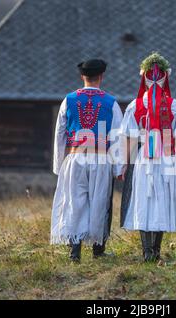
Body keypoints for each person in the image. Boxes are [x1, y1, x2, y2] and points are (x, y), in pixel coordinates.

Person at [120, 52, 176, 262]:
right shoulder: (174, 105)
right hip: (168, 157)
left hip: (145, 159)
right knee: (163, 200)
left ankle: (147, 252)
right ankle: (156, 251)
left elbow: (132, 139)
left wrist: (125, 163)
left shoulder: (135, 105)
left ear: (143, 77)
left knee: (144, 200)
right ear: (166, 78)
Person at [51, 59, 123, 262]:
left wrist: (59, 164)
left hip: (75, 158)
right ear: (101, 76)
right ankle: (98, 251)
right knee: (100, 202)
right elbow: (118, 136)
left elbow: (59, 134)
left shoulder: (69, 100)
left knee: (76, 202)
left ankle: (75, 251)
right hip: (101, 158)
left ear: (82, 77)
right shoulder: (111, 103)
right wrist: (119, 167)